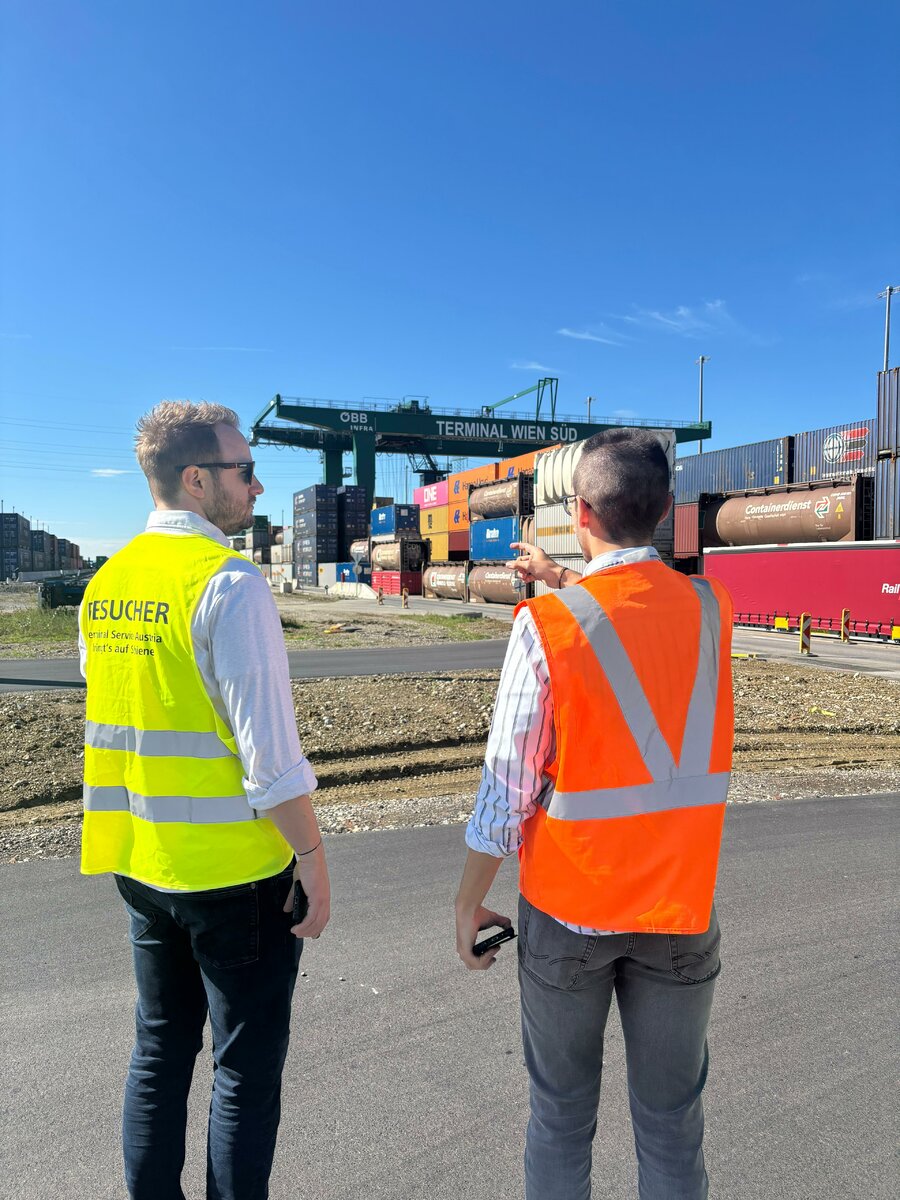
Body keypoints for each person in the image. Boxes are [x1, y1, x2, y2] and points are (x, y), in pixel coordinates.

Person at [454, 428, 733, 1200]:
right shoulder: (712, 608)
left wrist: (467, 900)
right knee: (672, 1124)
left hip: (569, 916)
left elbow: (505, 793)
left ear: (579, 511)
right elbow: (636, 602)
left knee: (561, 1117)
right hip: (680, 913)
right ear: (667, 509)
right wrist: (562, 576)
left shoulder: (547, 626)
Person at [79, 400, 330, 1200]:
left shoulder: (107, 583)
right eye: (245, 470)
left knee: (159, 1052)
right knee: (243, 1073)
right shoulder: (229, 583)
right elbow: (272, 760)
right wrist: (313, 860)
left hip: (141, 863)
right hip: (234, 875)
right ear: (196, 479)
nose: (257, 487)